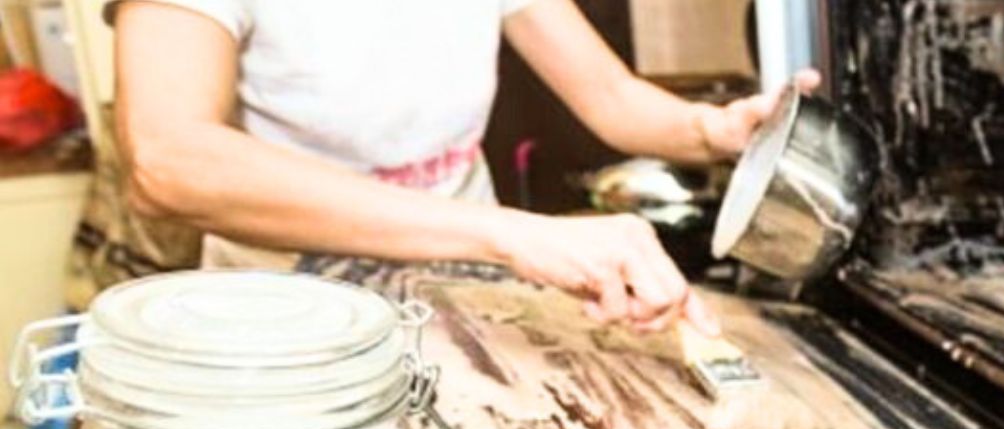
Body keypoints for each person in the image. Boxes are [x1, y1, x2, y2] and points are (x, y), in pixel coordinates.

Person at [109, 0, 819, 335]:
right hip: (291, 308)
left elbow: (609, 96)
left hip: (460, 286)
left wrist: (710, 129)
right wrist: (509, 233)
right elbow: (169, 162)